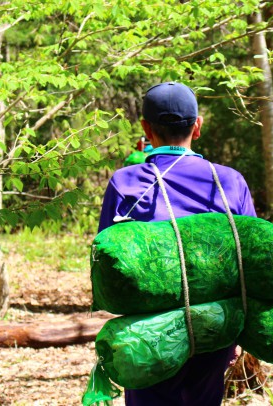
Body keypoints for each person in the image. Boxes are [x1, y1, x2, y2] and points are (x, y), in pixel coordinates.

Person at [97, 82, 256, 405]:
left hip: (148, 333)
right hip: (212, 329)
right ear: (197, 127)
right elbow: (249, 261)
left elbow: (105, 263)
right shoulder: (228, 181)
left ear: (145, 128)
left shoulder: (126, 182)